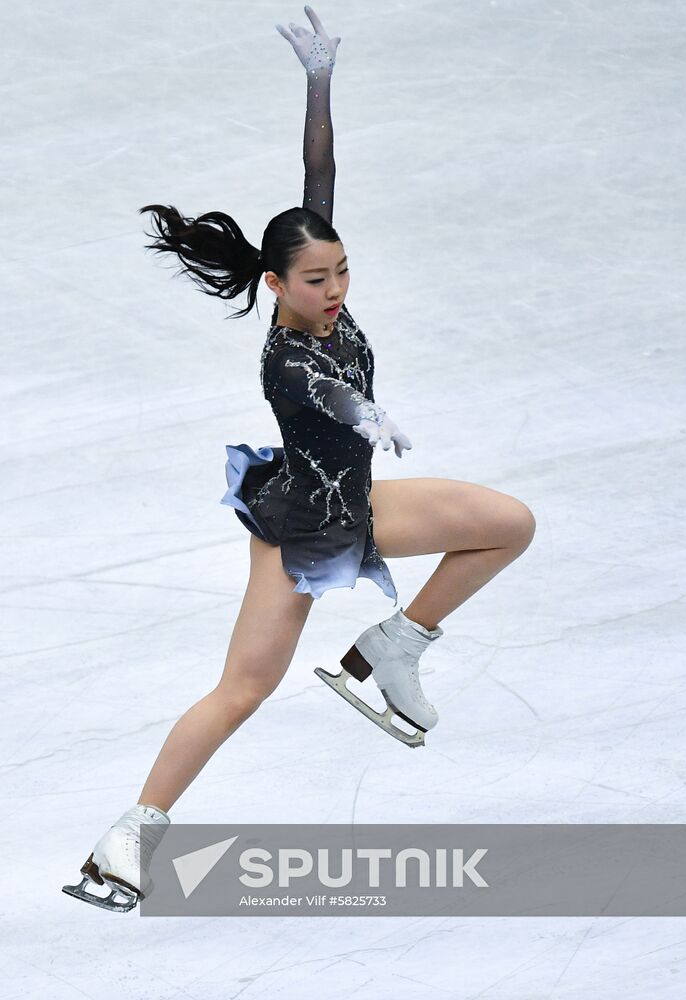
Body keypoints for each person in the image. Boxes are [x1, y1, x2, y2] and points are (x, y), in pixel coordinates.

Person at [63, 6, 536, 913]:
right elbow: (327, 395)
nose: (335, 291)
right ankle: (129, 836)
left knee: (506, 524)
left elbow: (321, 170)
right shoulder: (287, 353)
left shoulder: (320, 284)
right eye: (317, 280)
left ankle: (392, 649)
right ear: (276, 285)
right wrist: (374, 411)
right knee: (243, 690)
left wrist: (319, 81)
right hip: (302, 533)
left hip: (358, 502)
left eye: (343, 272)